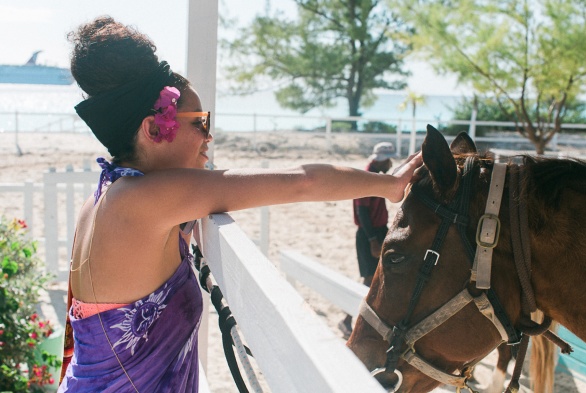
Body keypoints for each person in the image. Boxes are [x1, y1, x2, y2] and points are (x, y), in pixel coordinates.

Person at [58, 16, 422, 393]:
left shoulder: (107, 196)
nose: (209, 136)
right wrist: (390, 186)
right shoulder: (147, 201)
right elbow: (302, 181)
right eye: (200, 122)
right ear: (153, 129)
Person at [338, 142, 396, 339]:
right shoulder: (365, 177)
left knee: (379, 276)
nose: (390, 164)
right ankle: (346, 319)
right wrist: (373, 240)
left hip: (379, 231)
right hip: (368, 233)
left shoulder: (375, 175)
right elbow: (362, 212)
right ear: (382, 160)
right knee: (369, 279)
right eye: (388, 160)